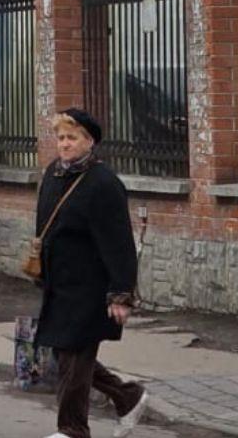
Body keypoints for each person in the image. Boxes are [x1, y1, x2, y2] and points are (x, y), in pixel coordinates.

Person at [34, 108, 149, 438]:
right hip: (60, 284)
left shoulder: (103, 184)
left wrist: (121, 293)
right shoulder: (53, 174)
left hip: (91, 287)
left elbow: (119, 243)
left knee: (74, 356)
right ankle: (128, 396)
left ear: (89, 141)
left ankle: (72, 429)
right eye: (60, 137)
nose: (65, 144)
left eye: (72, 138)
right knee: (64, 352)